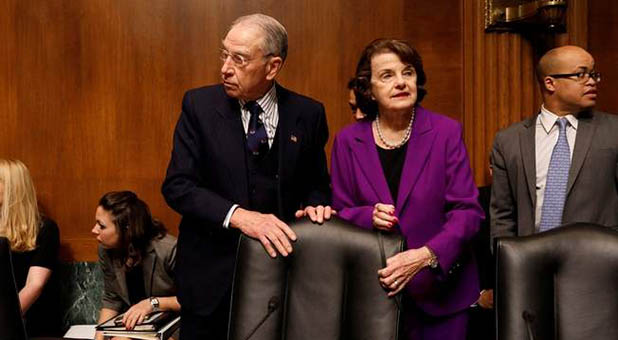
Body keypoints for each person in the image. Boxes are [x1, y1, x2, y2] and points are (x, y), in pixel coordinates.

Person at [161, 14, 332, 339]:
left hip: (282, 282)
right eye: (224, 55)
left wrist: (316, 205)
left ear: (272, 67)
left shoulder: (308, 114)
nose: (225, 67)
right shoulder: (198, 105)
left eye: (239, 59)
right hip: (209, 281)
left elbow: (317, 186)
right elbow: (178, 186)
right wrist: (239, 216)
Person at [331, 39, 483, 340]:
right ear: (369, 88)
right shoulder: (347, 141)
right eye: (387, 75)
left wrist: (427, 255)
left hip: (440, 295)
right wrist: (367, 216)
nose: (400, 82)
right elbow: (340, 213)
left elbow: (468, 211)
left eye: (408, 72)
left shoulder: (446, 132)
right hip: (374, 294)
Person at [490, 45, 618, 243]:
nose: (591, 81)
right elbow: (502, 215)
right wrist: (507, 261)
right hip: (531, 263)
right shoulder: (509, 140)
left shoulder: (613, 131)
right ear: (550, 83)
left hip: (599, 262)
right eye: (580, 75)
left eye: (593, 74)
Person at [92, 191, 179, 340]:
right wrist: (99, 337)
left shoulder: (168, 249)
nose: (94, 230)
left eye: (102, 226)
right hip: (134, 324)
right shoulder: (106, 249)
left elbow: (193, 300)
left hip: (172, 324)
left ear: (127, 229)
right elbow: (112, 298)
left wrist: (152, 304)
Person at [0, 159, 61, 337]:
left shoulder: (45, 229)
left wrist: (5, 319)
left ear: (12, 186)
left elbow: (34, 285)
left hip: (30, 323)